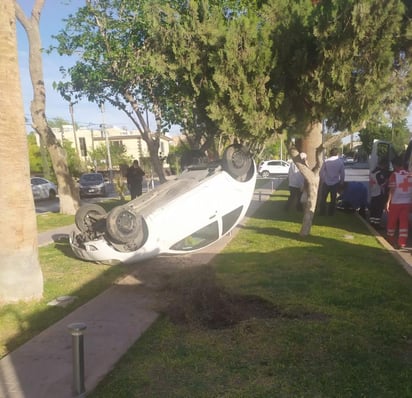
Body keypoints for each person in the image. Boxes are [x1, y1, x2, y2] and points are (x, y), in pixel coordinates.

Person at [385, 155, 412, 249]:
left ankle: (390, 238)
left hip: (396, 202)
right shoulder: (409, 174)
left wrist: (388, 202)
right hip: (407, 202)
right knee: (404, 222)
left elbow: (392, 189)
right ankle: (402, 242)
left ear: (395, 165)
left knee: (392, 221)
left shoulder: (394, 175)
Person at [318, 147, 345, 216]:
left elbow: (321, 172)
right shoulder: (340, 162)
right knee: (333, 199)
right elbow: (342, 173)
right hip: (335, 182)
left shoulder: (326, 161)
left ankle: (322, 212)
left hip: (326, 182)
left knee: (323, 198)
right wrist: (341, 182)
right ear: (337, 153)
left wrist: (323, 179)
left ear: (330, 153)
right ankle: (331, 213)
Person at [369, 159, 390, 227]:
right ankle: (376, 224)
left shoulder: (372, 172)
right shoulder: (379, 173)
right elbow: (381, 183)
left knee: (373, 208)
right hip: (379, 192)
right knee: (379, 209)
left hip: (373, 192)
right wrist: (387, 181)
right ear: (383, 165)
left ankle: (372, 222)